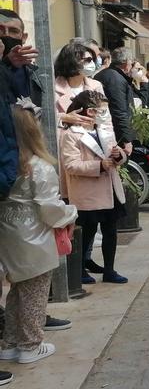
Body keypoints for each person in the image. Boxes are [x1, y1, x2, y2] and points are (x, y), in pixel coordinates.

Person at [0, 100, 77, 366]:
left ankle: (10, 342)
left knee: (15, 291)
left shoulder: (7, 166)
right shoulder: (40, 166)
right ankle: (31, 344)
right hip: (34, 237)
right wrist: (71, 212)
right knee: (35, 292)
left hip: (9, 234)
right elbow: (50, 209)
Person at [60, 90, 129, 285]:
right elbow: (71, 165)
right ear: (90, 112)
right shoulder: (70, 134)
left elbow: (119, 156)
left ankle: (109, 270)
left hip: (109, 188)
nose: (106, 114)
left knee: (110, 230)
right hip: (88, 192)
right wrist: (99, 166)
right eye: (102, 111)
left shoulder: (105, 130)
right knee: (87, 232)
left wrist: (118, 155)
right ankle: (80, 269)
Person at [92, 47, 137, 150]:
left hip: (107, 129)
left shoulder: (107, 74)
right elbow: (119, 110)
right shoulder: (115, 78)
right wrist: (126, 140)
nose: (131, 66)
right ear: (126, 62)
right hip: (113, 133)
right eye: (131, 62)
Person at [0, 9, 44, 106]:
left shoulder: (36, 74)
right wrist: (6, 63)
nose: (6, 35)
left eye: (13, 31)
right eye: (0, 29)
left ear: (23, 38)